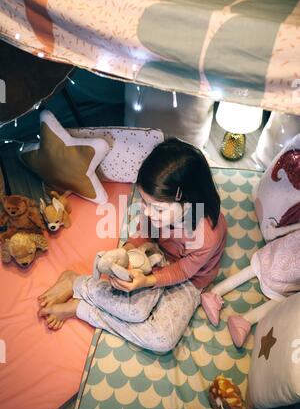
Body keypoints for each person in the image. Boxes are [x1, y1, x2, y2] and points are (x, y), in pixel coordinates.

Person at [38, 138, 227, 353]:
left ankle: (81, 304)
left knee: (162, 341)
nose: (146, 212)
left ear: (188, 201)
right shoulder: (156, 208)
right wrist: (127, 252)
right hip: (157, 255)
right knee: (133, 309)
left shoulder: (206, 234)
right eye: (144, 203)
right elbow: (143, 235)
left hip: (190, 278)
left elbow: (184, 270)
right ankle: (76, 282)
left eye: (157, 209)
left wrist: (148, 280)